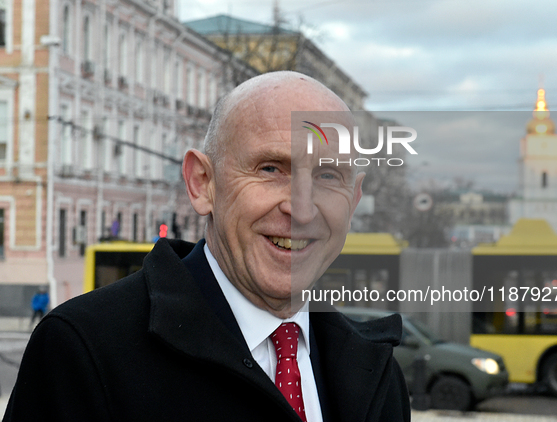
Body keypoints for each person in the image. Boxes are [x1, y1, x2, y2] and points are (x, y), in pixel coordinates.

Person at [3, 71, 410, 422]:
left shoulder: (376, 372)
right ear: (202, 183)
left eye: (327, 176)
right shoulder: (84, 352)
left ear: (353, 200)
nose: (301, 209)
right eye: (271, 169)